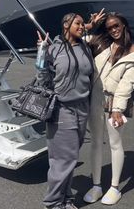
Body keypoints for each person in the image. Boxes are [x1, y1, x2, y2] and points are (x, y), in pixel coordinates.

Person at [83, 12, 134, 205]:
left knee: (115, 144)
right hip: (95, 99)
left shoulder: (133, 50)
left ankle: (115, 187)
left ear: (124, 25)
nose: (114, 30)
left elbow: (128, 83)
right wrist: (88, 27)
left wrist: (117, 108)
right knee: (95, 142)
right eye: (109, 27)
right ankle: (96, 185)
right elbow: (74, 39)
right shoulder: (101, 43)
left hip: (115, 103)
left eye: (116, 26)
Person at [37, 13, 94, 209]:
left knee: (71, 158)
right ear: (66, 25)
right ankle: (53, 203)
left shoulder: (85, 47)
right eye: (77, 23)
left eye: (82, 24)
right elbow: (42, 79)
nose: (82, 26)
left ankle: (66, 199)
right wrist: (41, 53)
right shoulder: (53, 49)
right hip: (61, 109)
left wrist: (91, 23)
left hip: (82, 108)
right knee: (63, 159)